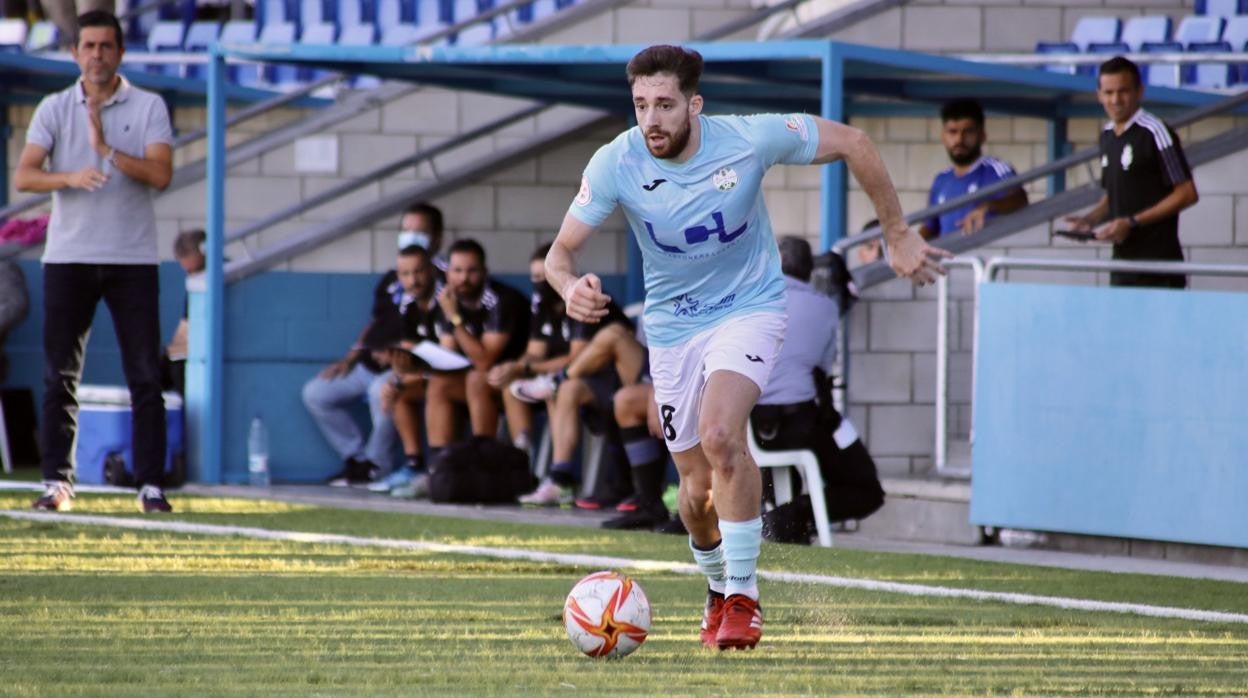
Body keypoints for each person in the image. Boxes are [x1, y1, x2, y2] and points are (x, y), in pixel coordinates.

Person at [544, 44, 947, 650]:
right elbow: (559, 255)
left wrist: (895, 232)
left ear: (694, 104)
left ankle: (743, 597)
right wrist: (570, 287)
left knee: (722, 434)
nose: (651, 119)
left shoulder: (748, 140)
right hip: (675, 328)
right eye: (640, 105)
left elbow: (856, 143)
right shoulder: (615, 163)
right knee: (694, 497)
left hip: (750, 309)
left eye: (664, 105)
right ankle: (715, 590)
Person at [14, 10, 174, 513]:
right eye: (89, 46)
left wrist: (110, 151)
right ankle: (57, 483)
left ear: (120, 53)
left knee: (146, 374)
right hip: (69, 257)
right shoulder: (55, 108)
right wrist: (70, 177)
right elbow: (24, 177)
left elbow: (161, 173)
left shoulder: (148, 106)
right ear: (75, 52)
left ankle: (150, 485)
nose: (97, 55)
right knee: (59, 374)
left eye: (106, 46)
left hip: (132, 260)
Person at [753, 236, 884, 544]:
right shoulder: (824, 307)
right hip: (798, 424)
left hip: (748, 425)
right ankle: (792, 515)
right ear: (810, 271)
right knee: (866, 488)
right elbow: (822, 369)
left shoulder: (749, 301)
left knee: (789, 469)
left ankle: (785, 517)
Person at [1066, 56, 1199, 289]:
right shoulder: (1107, 135)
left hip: (1158, 265)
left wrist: (1133, 222)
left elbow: (1187, 193)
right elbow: (1114, 194)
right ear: (1099, 95)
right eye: (1108, 93)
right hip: (1123, 264)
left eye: (1123, 91)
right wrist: (1090, 219)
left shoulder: (1155, 131)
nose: (1115, 100)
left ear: (1139, 92)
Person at [859, 98, 1027, 262]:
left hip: (984, 265)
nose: (959, 140)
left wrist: (989, 205)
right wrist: (911, 248)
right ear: (943, 136)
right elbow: (931, 227)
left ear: (982, 135)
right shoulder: (941, 180)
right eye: (953, 132)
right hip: (948, 268)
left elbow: (1021, 199)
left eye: (968, 131)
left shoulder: (996, 169)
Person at [511, 298, 638, 507]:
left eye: (544, 275)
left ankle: (557, 380)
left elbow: (576, 356)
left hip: (623, 379)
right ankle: (549, 476)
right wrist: (520, 367)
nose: (540, 283)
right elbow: (535, 353)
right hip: (603, 385)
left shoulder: (589, 298)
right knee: (558, 389)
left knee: (567, 384)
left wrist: (531, 369)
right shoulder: (542, 304)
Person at [423, 238, 528, 465]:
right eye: (457, 270)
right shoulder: (450, 300)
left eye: (472, 271)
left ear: (484, 272)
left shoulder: (501, 300)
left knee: (476, 378)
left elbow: (483, 362)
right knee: (439, 382)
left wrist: (454, 319)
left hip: (516, 380)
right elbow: (447, 355)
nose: (463, 278)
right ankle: (439, 465)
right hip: (481, 380)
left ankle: (482, 461)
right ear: (448, 272)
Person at [369, 244, 443, 498]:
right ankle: (413, 465)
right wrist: (397, 374)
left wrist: (405, 377)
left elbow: (449, 361)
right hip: (432, 374)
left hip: (458, 377)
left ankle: (438, 469)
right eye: (406, 274)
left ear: (431, 270)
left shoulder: (446, 299)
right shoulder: (408, 304)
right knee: (393, 388)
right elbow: (413, 358)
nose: (413, 280)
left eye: (419, 272)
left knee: (436, 387)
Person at [161, 228, 206, 396]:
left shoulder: (215, 276)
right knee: (167, 359)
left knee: (177, 361)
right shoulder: (196, 282)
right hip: (194, 341)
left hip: (205, 344)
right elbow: (185, 323)